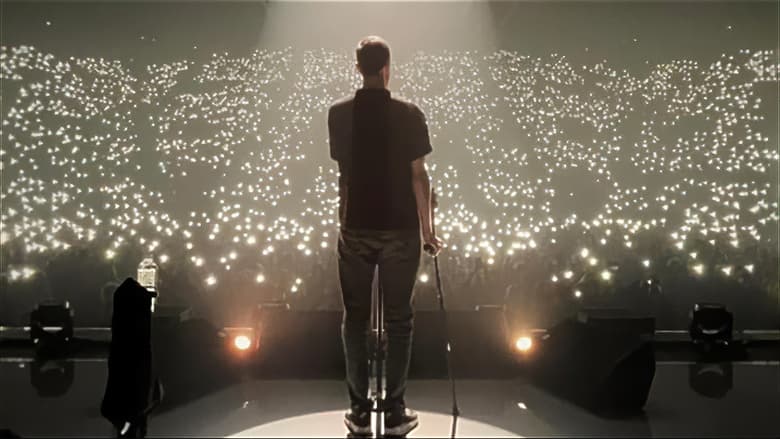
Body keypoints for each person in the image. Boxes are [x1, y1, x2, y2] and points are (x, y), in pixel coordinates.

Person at [327, 35, 443, 436]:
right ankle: (394, 411)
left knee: (355, 320)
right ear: (388, 67)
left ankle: (359, 412)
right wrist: (428, 230)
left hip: (356, 227)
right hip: (400, 231)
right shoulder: (410, 113)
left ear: (357, 67)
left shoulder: (338, 114)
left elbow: (344, 176)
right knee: (399, 321)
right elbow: (419, 176)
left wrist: (345, 221)